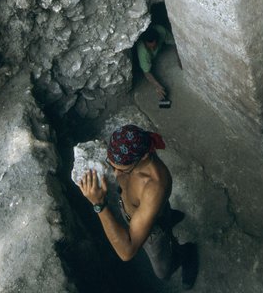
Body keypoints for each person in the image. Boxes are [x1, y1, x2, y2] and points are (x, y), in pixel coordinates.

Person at [78, 124, 198, 289]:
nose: (115, 173)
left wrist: (99, 204)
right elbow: (121, 168)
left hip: (153, 231)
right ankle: (167, 217)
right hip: (142, 209)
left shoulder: (154, 187)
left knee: (163, 272)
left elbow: (127, 252)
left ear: (143, 157)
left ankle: (187, 253)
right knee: (159, 211)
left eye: (121, 169)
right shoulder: (131, 146)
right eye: (111, 165)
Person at [136, 24, 182, 101]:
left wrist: (179, 59)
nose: (153, 49)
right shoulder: (142, 51)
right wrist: (157, 85)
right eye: (150, 47)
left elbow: (174, 43)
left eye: (154, 46)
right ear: (145, 43)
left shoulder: (161, 31)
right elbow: (147, 72)